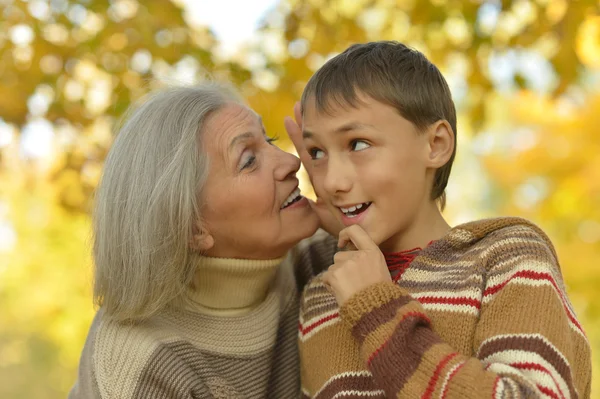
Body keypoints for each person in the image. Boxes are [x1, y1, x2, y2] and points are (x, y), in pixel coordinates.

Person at [285, 41, 592, 398]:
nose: (332, 181)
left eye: (357, 144)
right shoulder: (322, 295)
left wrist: (376, 309)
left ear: (436, 145)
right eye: (316, 152)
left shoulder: (506, 258)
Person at [69, 82, 341, 398]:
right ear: (194, 228)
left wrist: (351, 210)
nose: (290, 162)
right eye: (249, 160)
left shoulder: (313, 256)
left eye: (269, 140)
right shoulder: (142, 359)